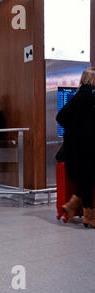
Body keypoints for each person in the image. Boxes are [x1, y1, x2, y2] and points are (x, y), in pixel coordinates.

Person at [56, 67, 95, 228]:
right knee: (89, 179)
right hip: (87, 146)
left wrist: (73, 130)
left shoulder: (78, 96)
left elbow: (61, 117)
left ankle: (73, 206)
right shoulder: (90, 97)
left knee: (87, 179)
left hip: (75, 147)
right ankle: (87, 215)